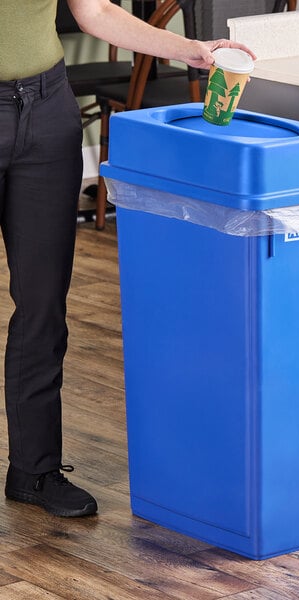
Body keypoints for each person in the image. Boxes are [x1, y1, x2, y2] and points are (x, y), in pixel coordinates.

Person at [0, 0, 256, 517]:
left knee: (43, 305)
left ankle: (35, 469)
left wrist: (194, 50)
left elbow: (94, 11)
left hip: (47, 110)